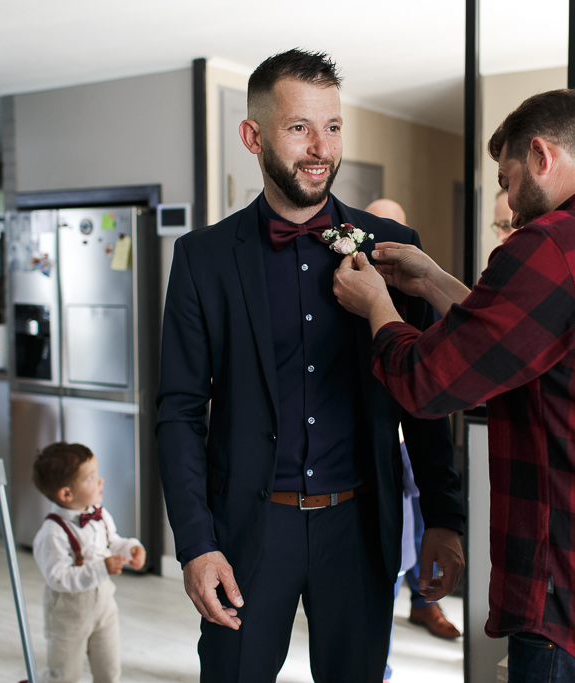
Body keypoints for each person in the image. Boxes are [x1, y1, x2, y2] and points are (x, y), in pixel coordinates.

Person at [333, 89, 575, 683]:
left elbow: (428, 383)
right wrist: (434, 282)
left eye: (508, 181)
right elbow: (538, 341)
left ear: (541, 155)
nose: (508, 205)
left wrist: (378, 308)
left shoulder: (551, 247)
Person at [156, 49, 465, 683]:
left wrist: (444, 518)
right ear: (253, 136)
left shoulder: (394, 252)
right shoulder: (201, 259)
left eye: (331, 126)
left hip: (360, 529)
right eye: (298, 127)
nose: (319, 146)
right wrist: (196, 543)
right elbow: (180, 412)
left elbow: (424, 393)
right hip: (246, 531)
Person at [364, 197, 462, 644]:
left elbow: (426, 377)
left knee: (420, 522)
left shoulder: (405, 290)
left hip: (412, 436)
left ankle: (424, 601)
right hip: (371, 444)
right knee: (394, 540)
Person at [32, 442, 146, 683]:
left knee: (109, 670)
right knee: (65, 674)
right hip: (68, 611)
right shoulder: (52, 532)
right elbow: (58, 577)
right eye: (91, 478)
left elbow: (111, 541)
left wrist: (131, 547)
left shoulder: (99, 513)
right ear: (66, 494)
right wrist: (100, 568)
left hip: (104, 605)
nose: (101, 480)